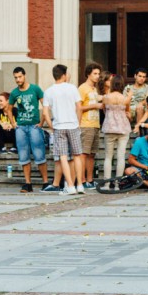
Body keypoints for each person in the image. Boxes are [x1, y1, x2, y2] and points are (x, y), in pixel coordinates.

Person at [41, 64, 84, 196]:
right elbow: (79, 107)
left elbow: (45, 112)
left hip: (59, 126)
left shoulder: (48, 91)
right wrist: (78, 122)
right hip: (73, 125)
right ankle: (80, 185)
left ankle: (70, 186)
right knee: (77, 155)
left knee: (63, 157)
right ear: (64, 75)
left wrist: (50, 125)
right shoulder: (72, 88)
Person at [10, 67, 47, 193]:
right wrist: (13, 123)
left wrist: (42, 122)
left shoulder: (35, 89)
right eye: (15, 77)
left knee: (39, 154)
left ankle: (45, 182)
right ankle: (28, 184)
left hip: (34, 126)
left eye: (20, 77)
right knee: (23, 155)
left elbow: (45, 105)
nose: (18, 79)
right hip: (21, 127)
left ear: (25, 76)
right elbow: (9, 109)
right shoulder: (14, 92)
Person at [102, 74, 132, 180]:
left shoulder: (105, 98)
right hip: (123, 129)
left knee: (108, 157)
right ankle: (118, 184)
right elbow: (128, 112)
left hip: (109, 128)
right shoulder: (125, 99)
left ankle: (106, 183)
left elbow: (104, 110)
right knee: (121, 157)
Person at [78, 62, 103, 189]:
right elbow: (78, 107)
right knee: (84, 153)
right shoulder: (82, 88)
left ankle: (90, 179)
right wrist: (94, 106)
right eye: (95, 73)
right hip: (85, 124)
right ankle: (82, 180)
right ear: (88, 74)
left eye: (98, 74)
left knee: (92, 154)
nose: (97, 76)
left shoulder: (94, 88)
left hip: (95, 124)